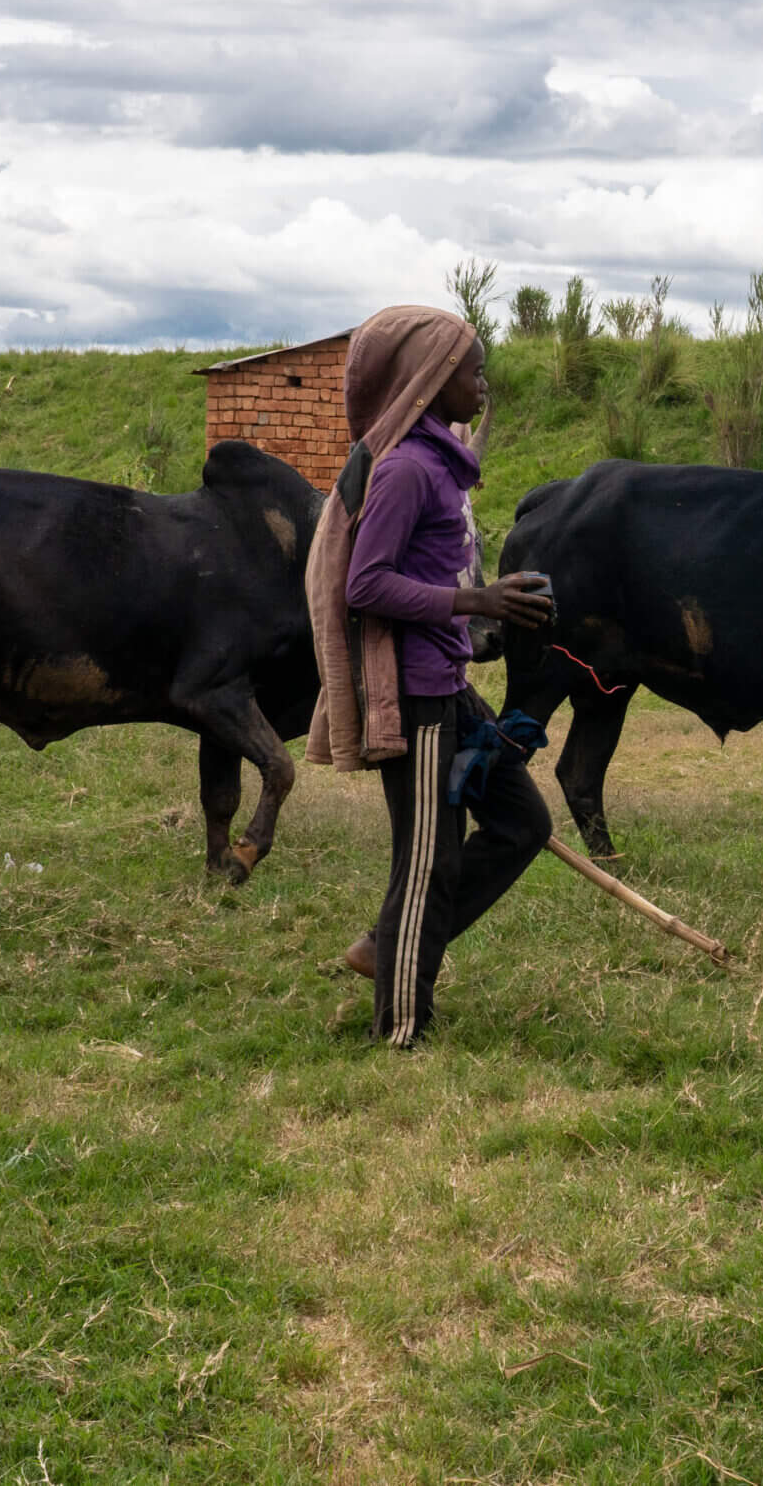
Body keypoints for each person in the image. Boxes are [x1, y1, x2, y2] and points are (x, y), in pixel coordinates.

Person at [304, 306, 555, 1046]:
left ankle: (387, 947)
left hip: (449, 684)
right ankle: (400, 1025)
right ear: (430, 380)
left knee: (523, 822)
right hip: (415, 699)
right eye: (472, 372)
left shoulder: (445, 464)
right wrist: (476, 601)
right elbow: (366, 584)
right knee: (427, 862)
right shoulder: (408, 470)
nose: (482, 385)